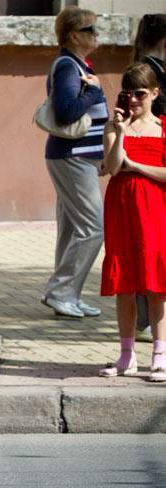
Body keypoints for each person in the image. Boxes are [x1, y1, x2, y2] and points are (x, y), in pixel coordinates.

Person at [98, 62, 166, 383]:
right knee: (125, 284)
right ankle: (126, 357)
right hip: (122, 208)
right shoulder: (113, 128)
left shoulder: (163, 128)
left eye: (140, 93)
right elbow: (113, 167)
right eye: (128, 93)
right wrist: (121, 131)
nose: (134, 100)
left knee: (156, 286)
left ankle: (160, 356)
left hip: (155, 210)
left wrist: (136, 166)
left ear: (154, 93)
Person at [39, 7, 108, 319]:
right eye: (90, 29)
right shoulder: (68, 66)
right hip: (72, 156)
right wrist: (93, 91)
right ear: (73, 36)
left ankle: (68, 296)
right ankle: (61, 293)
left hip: (80, 156)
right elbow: (66, 112)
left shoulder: (76, 64)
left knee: (71, 230)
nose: (96, 34)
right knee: (93, 228)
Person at [129, 14, 166, 343]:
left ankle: (148, 323)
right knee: (148, 250)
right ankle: (146, 323)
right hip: (151, 170)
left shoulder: (148, 67)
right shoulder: (150, 73)